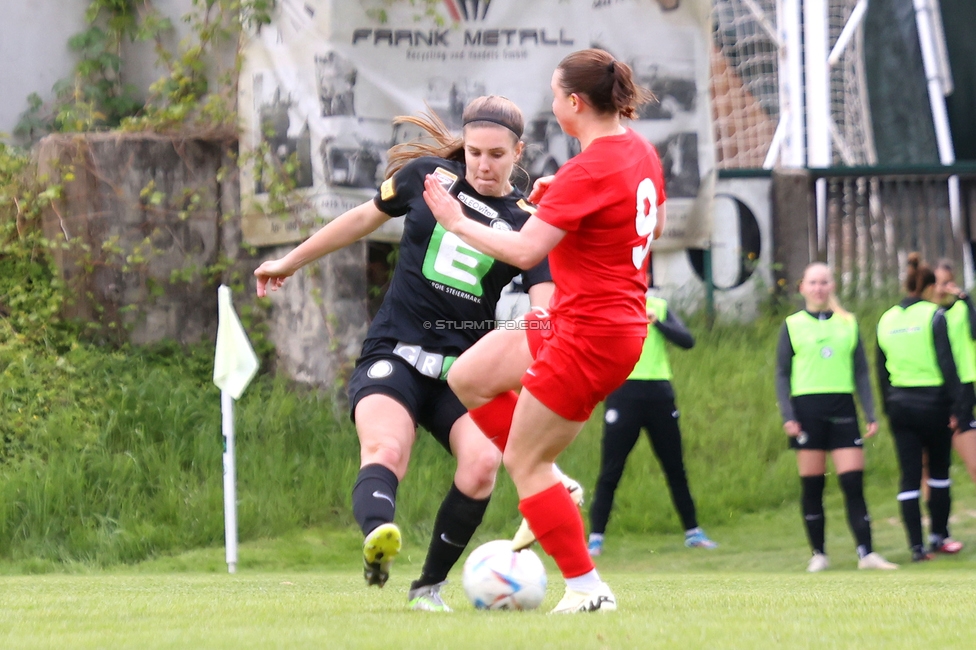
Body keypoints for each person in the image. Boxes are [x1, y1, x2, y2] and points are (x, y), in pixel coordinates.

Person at [254, 96, 556, 611]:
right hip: (394, 350)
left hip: (461, 372)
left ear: (518, 152)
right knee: (387, 452)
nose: (483, 165)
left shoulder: (529, 222)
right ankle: (379, 540)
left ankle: (428, 588)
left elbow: (544, 300)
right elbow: (359, 220)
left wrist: (540, 330)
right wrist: (289, 260)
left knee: (483, 463)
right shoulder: (427, 177)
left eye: (497, 155)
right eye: (475, 152)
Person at [423, 48, 665, 613]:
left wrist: (456, 222)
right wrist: (564, 197)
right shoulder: (636, 150)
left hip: (592, 332)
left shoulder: (591, 168)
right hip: (585, 319)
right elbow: (621, 210)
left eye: (556, 97)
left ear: (574, 103)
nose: (552, 106)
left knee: (523, 463)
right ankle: (554, 484)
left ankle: (587, 589)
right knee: (471, 375)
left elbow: (529, 248)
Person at [774, 263, 896, 572]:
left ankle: (866, 553)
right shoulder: (792, 324)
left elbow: (861, 372)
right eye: (813, 282)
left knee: (853, 483)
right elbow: (781, 374)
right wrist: (788, 415)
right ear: (802, 287)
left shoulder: (848, 323)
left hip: (842, 409)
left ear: (832, 286)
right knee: (812, 486)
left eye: (824, 282)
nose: (819, 288)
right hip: (807, 410)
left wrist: (869, 412)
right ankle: (819, 554)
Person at [587, 288, 717, 557]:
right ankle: (596, 538)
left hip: (659, 395)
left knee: (675, 468)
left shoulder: (658, 305)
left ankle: (693, 533)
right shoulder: (609, 303)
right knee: (611, 469)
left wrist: (658, 322)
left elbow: (687, 341)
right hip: (623, 394)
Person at [876, 253, 966, 561]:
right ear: (928, 288)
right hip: (934, 404)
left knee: (909, 475)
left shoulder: (886, 318)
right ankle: (938, 536)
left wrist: (889, 407)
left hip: (900, 405)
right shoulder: (935, 315)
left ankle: (915, 547)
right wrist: (957, 406)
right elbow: (947, 364)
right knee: (939, 472)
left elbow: (881, 370)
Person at [933, 259, 976, 488]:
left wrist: (966, 299)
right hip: (934, 387)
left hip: (963, 385)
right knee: (929, 462)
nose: (943, 288)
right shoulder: (927, 313)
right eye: (938, 283)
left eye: (947, 283)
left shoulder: (960, 309)